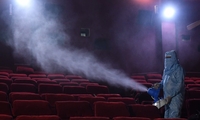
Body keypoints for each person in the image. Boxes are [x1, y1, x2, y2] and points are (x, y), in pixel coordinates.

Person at [153, 50, 185, 118]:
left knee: (174, 115)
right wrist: (159, 85)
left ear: (174, 58)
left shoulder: (179, 69)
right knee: (166, 114)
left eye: (169, 58)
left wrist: (171, 95)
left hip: (175, 97)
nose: (167, 60)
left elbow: (179, 84)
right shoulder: (166, 70)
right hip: (166, 97)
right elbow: (164, 81)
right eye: (166, 58)